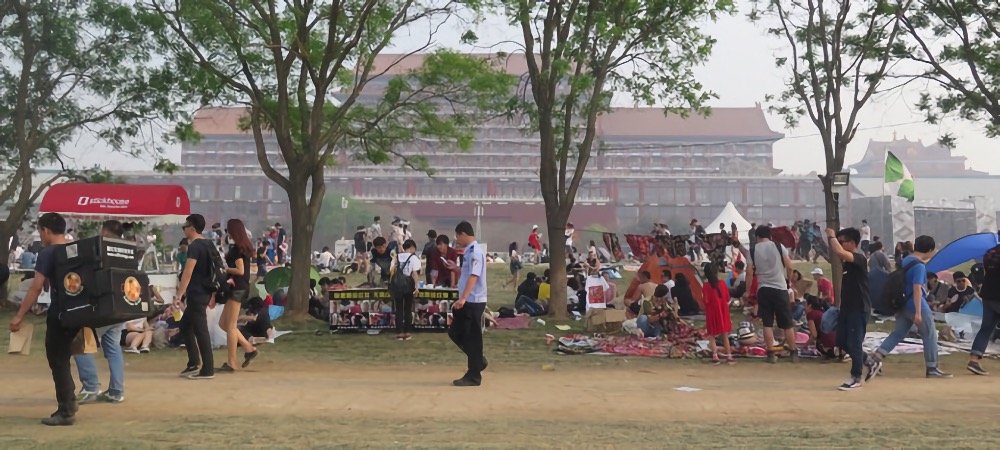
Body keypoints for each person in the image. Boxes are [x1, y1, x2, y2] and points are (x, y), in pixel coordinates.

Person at [8, 213, 76, 425]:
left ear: (46, 230)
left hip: (60, 312)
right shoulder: (75, 250)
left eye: (40, 231)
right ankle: (70, 402)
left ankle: (66, 411)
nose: (40, 235)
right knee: (63, 357)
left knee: (57, 359)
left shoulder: (48, 253)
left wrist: (19, 315)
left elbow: (36, 287)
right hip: (78, 311)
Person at [866, 235, 951, 380]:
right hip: (915, 304)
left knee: (898, 333)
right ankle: (932, 367)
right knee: (930, 334)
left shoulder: (906, 260)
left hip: (902, 303)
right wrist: (918, 312)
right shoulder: (918, 265)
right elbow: (917, 288)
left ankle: (876, 357)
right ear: (929, 250)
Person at [73, 220, 128, 405]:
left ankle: (90, 387)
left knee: (81, 343)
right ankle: (116, 391)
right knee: (113, 348)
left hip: (100, 307)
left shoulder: (99, 248)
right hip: (120, 306)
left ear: (104, 231)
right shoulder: (127, 251)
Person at [826, 227, 871, 390]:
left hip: (859, 308)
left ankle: (856, 377)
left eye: (842, 241)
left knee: (854, 343)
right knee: (842, 342)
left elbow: (841, 252)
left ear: (852, 243)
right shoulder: (847, 263)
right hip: (846, 308)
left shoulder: (859, 258)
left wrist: (831, 237)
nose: (839, 244)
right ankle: (869, 362)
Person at [444, 221, 488, 387]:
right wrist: (456, 268)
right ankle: (478, 361)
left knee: (473, 337)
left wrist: (463, 298)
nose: (456, 239)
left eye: (457, 236)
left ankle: (474, 375)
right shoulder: (469, 252)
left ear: (463, 233)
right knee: (456, 333)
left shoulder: (475, 252)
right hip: (467, 300)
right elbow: (468, 273)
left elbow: (474, 276)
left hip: (473, 301)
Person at [173, 214, 216, 380]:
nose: (183, 229)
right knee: (185, 325)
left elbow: (188, 272)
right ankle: (193, 363)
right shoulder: (209, 244)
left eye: (185, 226)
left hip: (197, 294)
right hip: (204, 292)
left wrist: (179, 295)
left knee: (201, 331)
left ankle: (208, 369)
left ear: (192, 228)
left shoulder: (195, 246)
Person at [748, 225, 798, 364]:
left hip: (764, 289)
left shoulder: (753, 250)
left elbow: (749, 272)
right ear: (769, 236)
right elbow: (789, 265)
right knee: (787, 323)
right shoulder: (778, 246)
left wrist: (747, 290)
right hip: (780, 288)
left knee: (767, 323)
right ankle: (793, 351)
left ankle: (771, 353)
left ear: (757, 236)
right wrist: (788, 281)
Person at [217, 219, 259, 373]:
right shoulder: (242, 248)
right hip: (238, 288)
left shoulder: (237, 250)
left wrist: (225, 270)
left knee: (230, 325)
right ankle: (249, 348)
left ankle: (232, 362)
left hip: (237, 288)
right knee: (224, 324)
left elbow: (240, 270)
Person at [968, 242, 1000, 375]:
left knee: (986, 329)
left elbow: (987, 273)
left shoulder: (990, 253)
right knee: (986, 329)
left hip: (988, 295)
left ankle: (974, 360)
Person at [702, 264, 733, 364]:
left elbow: (705, 300)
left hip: (711, 312)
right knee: (725, 334)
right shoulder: (723, 284)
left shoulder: (706, 286)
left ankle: (715, 355)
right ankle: (729, 355)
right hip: (723, 311)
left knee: (711, 335)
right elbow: (727, 298)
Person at [393, 239, 421, 341]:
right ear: (412, 247)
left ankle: (399, 332)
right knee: (408, 309)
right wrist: (416, 286)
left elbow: (392, 271)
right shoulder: (413, 258)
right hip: (408, 286)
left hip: (397, 286)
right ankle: (407, 332)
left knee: (399, 309)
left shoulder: (397, 256)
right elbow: (414, 273)